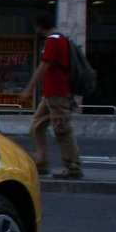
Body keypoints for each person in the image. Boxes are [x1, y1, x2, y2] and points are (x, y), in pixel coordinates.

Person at [18, 11, 83, 179]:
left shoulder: (54, 41)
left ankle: (73, 166)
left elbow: (44, 67)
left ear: (39, 26)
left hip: (58, 93)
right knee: (37, 126)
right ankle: (42, 164)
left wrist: (29, 89)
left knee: (62, 129)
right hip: (51, 95)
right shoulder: (58, 40)